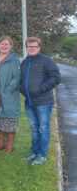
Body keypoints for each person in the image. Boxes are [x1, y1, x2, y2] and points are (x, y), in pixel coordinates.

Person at [20, 37, 60, 165]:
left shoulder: (46, 61)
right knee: (34, 128)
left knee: (43, 129)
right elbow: (21, 80)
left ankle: (42, 155)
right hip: (29, 102)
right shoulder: (25, 62)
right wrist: (22, 89)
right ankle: (34, 152)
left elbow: (56, 77)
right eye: (29, 46)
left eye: (34, 46)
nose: (31, 48)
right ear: (26, 48)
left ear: (39, 47)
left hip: (43, 102)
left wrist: (42, 88)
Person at [0, 36, 21, 153]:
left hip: (8, 94)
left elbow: (17, 77)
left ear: (10, 46)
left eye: (6, 44)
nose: (4, 46)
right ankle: (0, 143)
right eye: (2, 44)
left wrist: (7, 90)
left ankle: (9, 146)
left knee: (9, 118)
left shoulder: (14, 59)